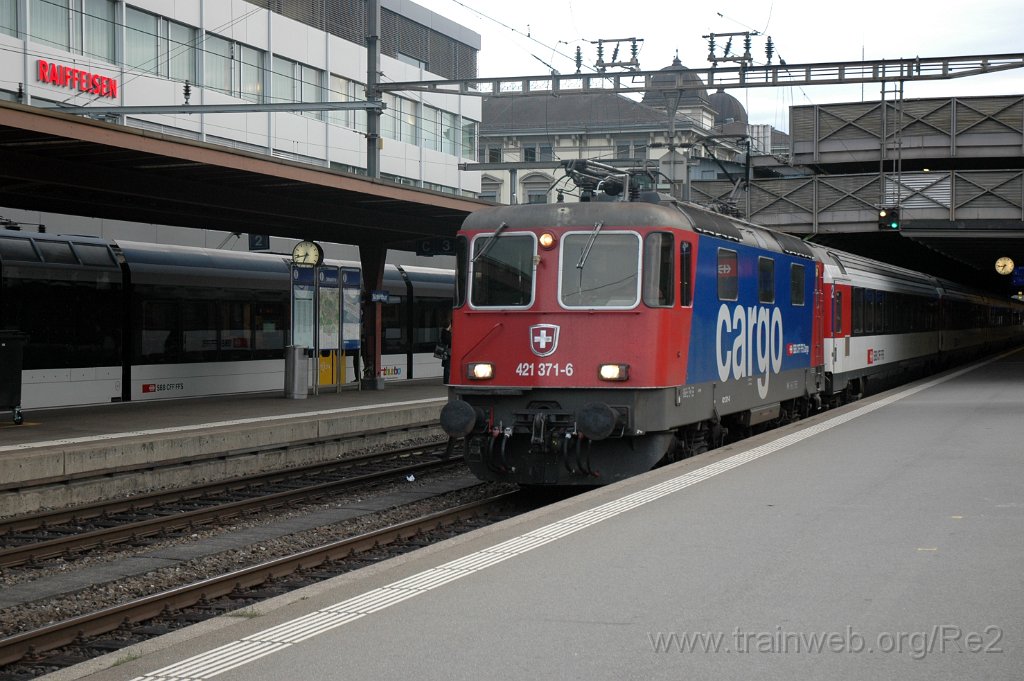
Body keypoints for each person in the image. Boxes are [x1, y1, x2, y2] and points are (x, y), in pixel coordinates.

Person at [440, 316, 452, 383]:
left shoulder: (444, 332)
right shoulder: (446, 333)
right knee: (447, 367)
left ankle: (446, 380)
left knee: (447, 367)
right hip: (448, 352)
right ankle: (446, 380)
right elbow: (449, 341)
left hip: (446, 351)